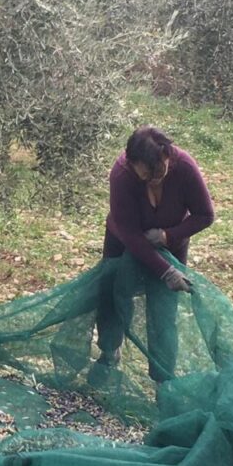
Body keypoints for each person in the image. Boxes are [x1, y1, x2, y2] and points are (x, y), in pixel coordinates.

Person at [95, 125, 214, 381]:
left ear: (167, 155)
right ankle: (108, 353)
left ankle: (163, 378)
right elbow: (129, 233)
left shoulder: (185, 167)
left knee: (163, 310)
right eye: (146, 176)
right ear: (132, 163)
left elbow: (205, 215)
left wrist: (168, 236)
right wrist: (165, 271)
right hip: (123, 240)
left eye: (159, 172)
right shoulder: (121, 175)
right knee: (111, 294)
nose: (153, 180)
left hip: (171, 246)